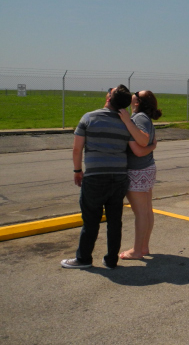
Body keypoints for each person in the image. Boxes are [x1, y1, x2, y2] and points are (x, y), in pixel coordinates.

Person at [61, 85, 136, 269]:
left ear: (109, 98)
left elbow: (77, 148)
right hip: (119, 176)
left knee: (91, 220)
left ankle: (84, 259)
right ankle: (111, 260)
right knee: (114, 221)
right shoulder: (127, 123)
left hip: (95, 177)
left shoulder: (89, 118)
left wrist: (77, 170)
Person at [117, 90, 163, 260]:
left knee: (141, 213)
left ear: (138, 102)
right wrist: (152, 147)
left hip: (137, 170)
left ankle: (137, 250)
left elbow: (141, 143)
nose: (133, 94)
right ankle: (144, 247)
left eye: (136, 93)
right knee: (146, 211)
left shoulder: (138, 118)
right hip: (146, 168)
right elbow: (149, 143)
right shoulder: (144, 118)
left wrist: (127, 121)